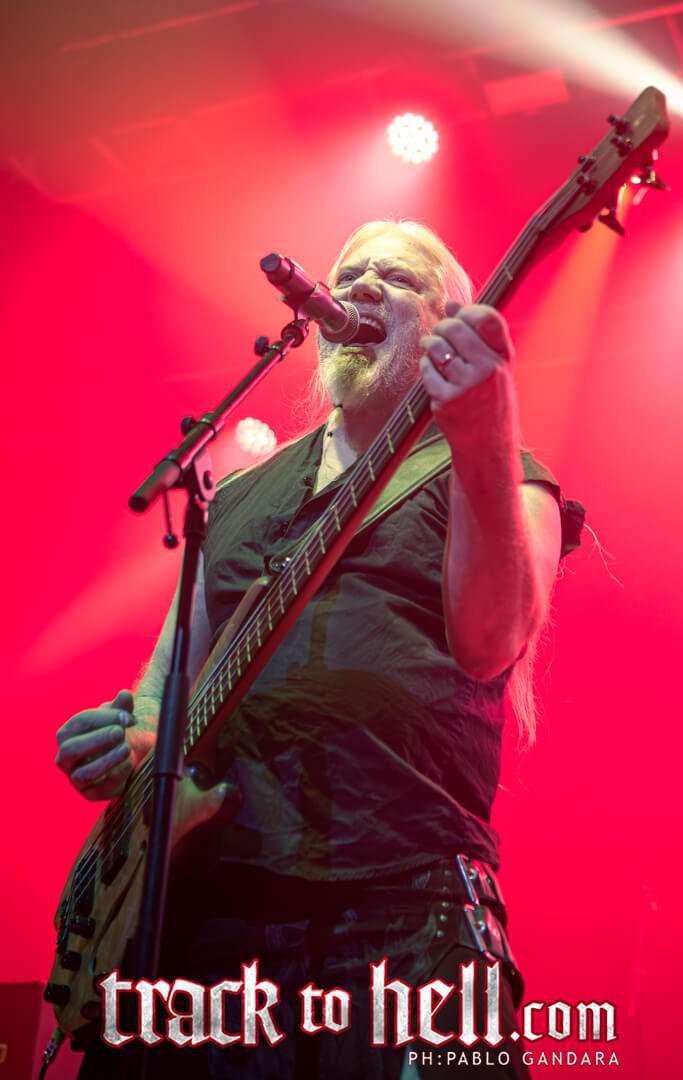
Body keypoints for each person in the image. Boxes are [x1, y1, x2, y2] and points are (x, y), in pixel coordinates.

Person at [56, 220, 584, 1079]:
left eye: (399, 279)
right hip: (208, 924)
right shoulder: (235, 494)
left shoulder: (500, 473)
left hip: (401, 909)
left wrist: (484, 435)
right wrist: (125, 743)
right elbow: (162, 692)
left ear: (448, 328)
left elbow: (493, 642)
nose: (363, 286)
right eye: (351, 273)